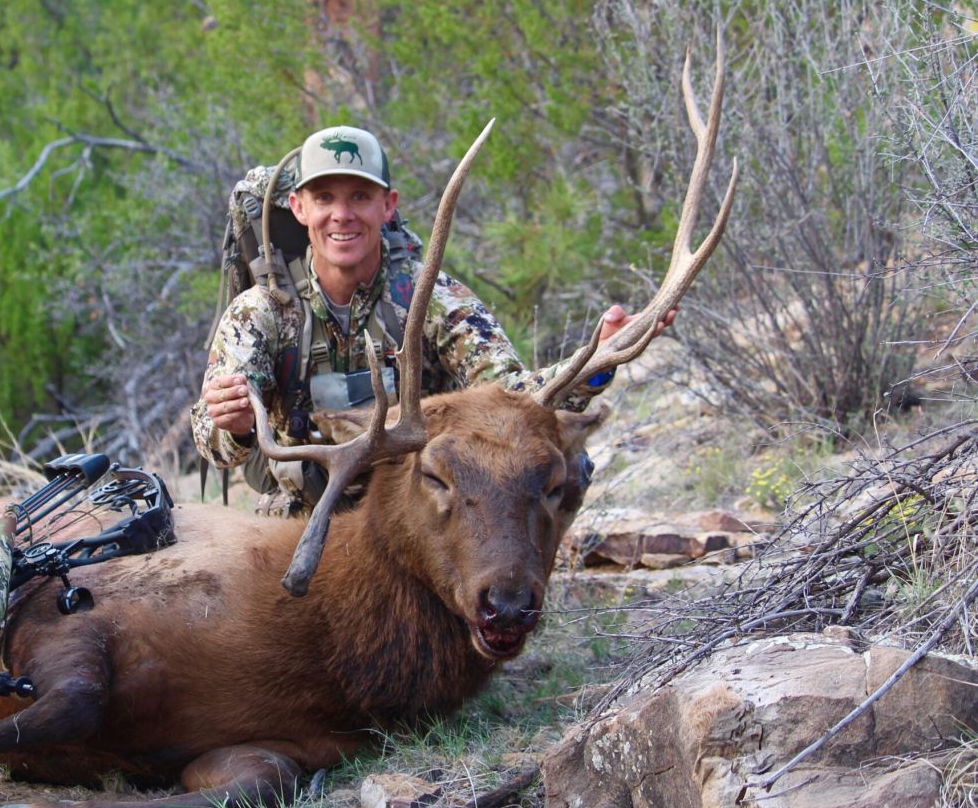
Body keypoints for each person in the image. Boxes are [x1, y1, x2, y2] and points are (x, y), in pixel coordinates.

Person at [191, 125, 668, 515]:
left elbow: (515, 398)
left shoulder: (432, 296)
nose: (342, 215)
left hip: (421, 513)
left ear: (388, 205)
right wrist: (230, 425)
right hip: (305, 514)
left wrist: (600, 358)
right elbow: (212, 443)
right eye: (325, 198)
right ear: (299, 208)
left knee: (566, 464)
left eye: (360, 197)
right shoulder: (262, 312)